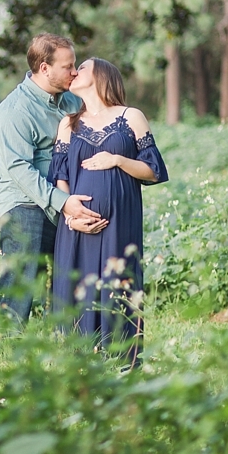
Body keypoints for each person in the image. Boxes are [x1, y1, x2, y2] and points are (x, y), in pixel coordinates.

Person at [49, 58, 168, 367]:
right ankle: (77, 374)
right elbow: (60, 176)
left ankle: (122, 370)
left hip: (120, 224)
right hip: (76, 227)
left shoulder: (131, 117)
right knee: (77, 296)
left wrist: (117, 160)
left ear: (101, 75)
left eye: (82, 67)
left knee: (118, 289)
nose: (74, 72)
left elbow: (153, 170)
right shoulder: (68, 123)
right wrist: (71, 216)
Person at [0, 34, 105, 326]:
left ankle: (61, 357)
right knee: (22, 289)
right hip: (25, 207)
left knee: (66, 288)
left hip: (65, 205)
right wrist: (64, 203)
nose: (75, 71)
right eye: (68, 66)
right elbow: (18, 168)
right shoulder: (15, 110)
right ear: (44, 68)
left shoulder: (71, 101)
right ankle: (3, 358)